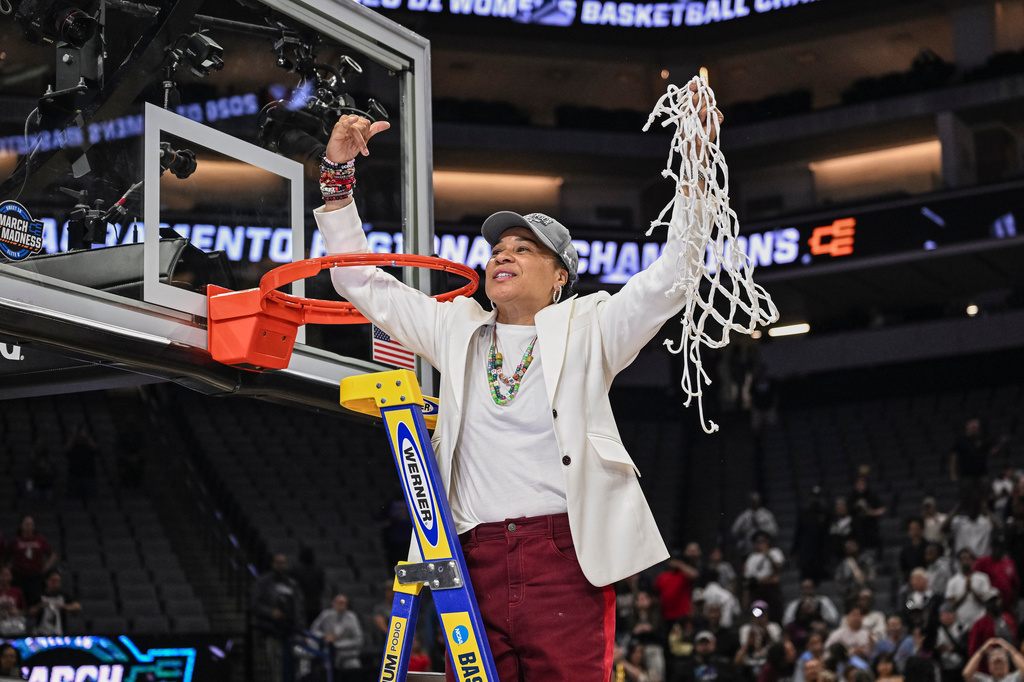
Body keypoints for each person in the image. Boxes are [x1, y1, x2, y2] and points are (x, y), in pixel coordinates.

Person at [314, 83, 724, 682]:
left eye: (523, 249)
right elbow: (361, 282)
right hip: (469, 555)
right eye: (497, 248)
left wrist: (695, 170)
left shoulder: (593, 326)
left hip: (564, 553)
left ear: (560, 276)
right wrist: (337, 176)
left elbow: (673, 276)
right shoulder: (455, 326)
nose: (501, 256)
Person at [251, 554, 305, 682]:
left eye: (283, 563)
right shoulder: (263, 582)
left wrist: (300, 626)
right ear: (273, 564)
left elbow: (299, 606)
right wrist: (270, 612)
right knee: (274, 665)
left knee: (292, 665)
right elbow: (254, 604)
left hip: (290, 630)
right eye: (278, 563)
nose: (281, 566)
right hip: (271, 629)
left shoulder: (292, 584)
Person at [310, 594, 364, 680]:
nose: (340, 606)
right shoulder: (325, 615)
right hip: (327, 653)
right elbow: (313, 630)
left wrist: (336, 644)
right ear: (333, 604)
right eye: (338, 603)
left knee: (354, 667)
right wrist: (324, 636)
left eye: (343, 603)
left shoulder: (352, 617)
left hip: (346, 654)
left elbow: (358, 640)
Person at [8, 516, 57, 608]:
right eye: (26, 524)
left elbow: (52, 555)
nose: (28, 526)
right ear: (22, 526)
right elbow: (7, 555)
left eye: (30, 524)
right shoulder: (15, 540)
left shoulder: (40, 539)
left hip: (36, 576)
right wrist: (9, 566)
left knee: (35, 600)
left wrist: (47, 566)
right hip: (19, 576)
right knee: (20, 600)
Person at [792, 487, 832, 584]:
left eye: (818, 496)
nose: (815, 499)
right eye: (814, 496)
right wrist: (793, 551)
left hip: (820, 552)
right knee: (806, 578)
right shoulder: (804, 513)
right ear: (810, 497)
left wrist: (827, 555)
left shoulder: (826, 513)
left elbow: (828, 535)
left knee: (818, 579)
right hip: (806, 551)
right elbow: (798, 532)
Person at [945, 548, 992, 630]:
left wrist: (972, 590)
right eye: (963, 559)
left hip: (979, 620)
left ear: (973, 561)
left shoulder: (983, 578)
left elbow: (986, 601)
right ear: (959, 561)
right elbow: (951, 605)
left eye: (968, 559)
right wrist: (966, 592)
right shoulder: (953, 581)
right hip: (961, 622)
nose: (965, 562)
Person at [743, 532, 784, 620]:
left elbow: (778, 569)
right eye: (758, 542)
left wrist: (768, 555)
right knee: (757, 613)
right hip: (757, 589)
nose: (761, 544)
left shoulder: (775, 552)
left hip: (771, 589)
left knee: (774, 614)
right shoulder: (751, 557)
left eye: (763, 541)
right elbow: (749, 578)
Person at [28, 571, 80, 636]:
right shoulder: (39, 595)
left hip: (59, 631)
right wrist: (40, 606)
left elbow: (77, 606)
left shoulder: (63, 595)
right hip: (41, 631)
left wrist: (63, 607)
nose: (55, 583)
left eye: (57, 581)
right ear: (47, 581)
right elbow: (30, 611)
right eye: (53, 580)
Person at [731, 493, 780, 559]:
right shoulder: (744, 516)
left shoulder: (766, 514)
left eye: (756, 500)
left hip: (763, 549)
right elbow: (734, 531)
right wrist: (743, 528)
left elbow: (775, 531)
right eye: (752, 500)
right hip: (748, 550)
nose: (754, 503)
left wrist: (760, 527)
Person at [0, 567, 26, 637]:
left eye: (7, 575)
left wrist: (18, 612)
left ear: (11, 577)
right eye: (2, 575)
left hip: (12, 623)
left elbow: (24, 610)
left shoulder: (17, 591)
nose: (5, 578)